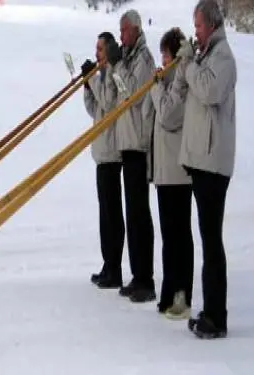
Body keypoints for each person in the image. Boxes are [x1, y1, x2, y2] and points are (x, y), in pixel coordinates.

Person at [175, 0, 237, 339]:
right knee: (207, 239)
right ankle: (211, 310)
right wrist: (190, 62)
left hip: (214, 164)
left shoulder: (223, 57)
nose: (195, 32)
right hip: (203, 161)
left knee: (212, 241)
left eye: (197, 26)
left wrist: (187, 64)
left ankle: (217, 316)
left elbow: (210, 91)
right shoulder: (208, 55)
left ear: (211, 25)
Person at [142, 27, 194, 320]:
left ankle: (181, 295)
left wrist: (156, 87)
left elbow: (169, 115)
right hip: (164, 172)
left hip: (179, 172)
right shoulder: (168, 81)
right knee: (169, 237)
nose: (162, 60)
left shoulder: (180, 81)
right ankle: (169, 291)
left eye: (165, 54)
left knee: (179, 236)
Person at [114, 9, 156, 303]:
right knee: (132, 212)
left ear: (136, 31)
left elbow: (135, 94)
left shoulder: (143, 59)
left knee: (140, 212)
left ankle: (146, 278)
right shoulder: (129, 58)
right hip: (126, 143)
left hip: (139, 145)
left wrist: (118, 66)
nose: (121, 37)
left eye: (124, 32)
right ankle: (137, 273)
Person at [81, 32, 124, 289]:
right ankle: (108, 264)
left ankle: (115, 267)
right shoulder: (103, 76)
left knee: (112, 214)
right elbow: (94, 109)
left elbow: (108, 103)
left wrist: (94, 80)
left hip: (111, 152)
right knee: (104, 215)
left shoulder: (111, 74)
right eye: (95, 48)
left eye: (100, 48)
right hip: (101, 152)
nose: (97, 53)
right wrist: (88, 86)